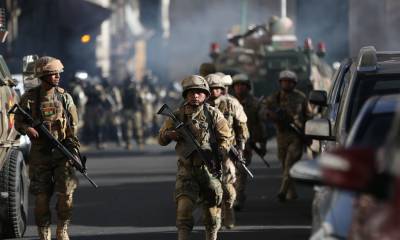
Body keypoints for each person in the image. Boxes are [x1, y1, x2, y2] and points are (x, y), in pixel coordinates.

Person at [158, 75, 232, 240]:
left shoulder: (213, 114)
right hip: (187, 170)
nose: (195, 96)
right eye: (191, 93)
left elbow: (226, 138)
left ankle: (211, 236)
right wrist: (170, 134)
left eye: (199, 92)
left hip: (209, 169)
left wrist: (220, 152)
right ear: (186, 95)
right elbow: (161, 139)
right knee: (183, 210)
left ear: (206, 95)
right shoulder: (177, 115)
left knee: (212, 214)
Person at [14, 56, 80, 240]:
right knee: (42, 198)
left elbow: (73, 128)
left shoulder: (64, 97)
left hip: (62, 153)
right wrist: (27, 129)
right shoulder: (30, 98)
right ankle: (44, 232)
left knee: (66, 195)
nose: (57, 76)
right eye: (52, 74)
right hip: (40, 155)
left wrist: (72, 151)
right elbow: (18, 120)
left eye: (58, 73)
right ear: (43, 76)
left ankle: (62, 229)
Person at [260, 70, 311, 202]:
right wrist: (271, 115)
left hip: (297, 135)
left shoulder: (301, 97)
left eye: (289, 82)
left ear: (294, 84)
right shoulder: (274, 97)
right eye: (284, 81)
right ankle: (291, 193)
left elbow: (309, 115)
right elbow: (263, 110)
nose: (287, 84)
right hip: (281, 135)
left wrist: (309, 133)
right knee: (284, 164)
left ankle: (282, 192)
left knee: (290, 163)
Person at [205, 73, 249, 228]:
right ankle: (214, 218)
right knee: (210, 188)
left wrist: (241, 147)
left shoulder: (231, 103)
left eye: (218, 88)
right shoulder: (198, 105)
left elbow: (241, 126)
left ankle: (228, 214)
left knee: (227, 187)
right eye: (211, 88)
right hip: (206, 153)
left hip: (226, 152)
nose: (215, 91)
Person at [231, 73, 267, 209]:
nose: (240, 88)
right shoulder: (227, 102)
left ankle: (238, 197)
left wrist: (262, 145)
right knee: (228, 172)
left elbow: (260, 125)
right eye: (237, 85)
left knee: (241, 170)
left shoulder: (255, 104)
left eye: (243, 85)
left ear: (248, 87)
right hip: (228, 143)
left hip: (245, 144)